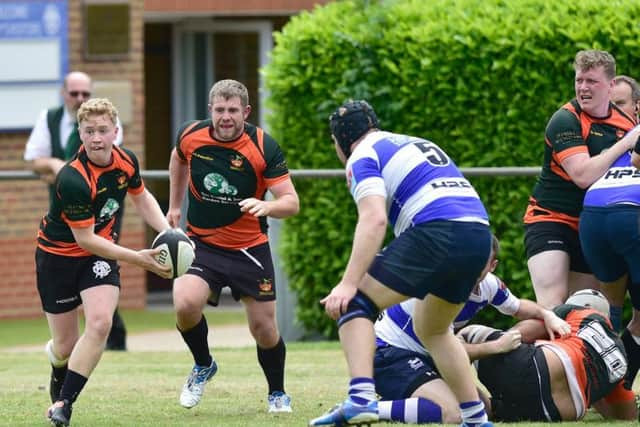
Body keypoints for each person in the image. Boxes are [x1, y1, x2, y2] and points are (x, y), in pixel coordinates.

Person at [309, 100, 494, 427]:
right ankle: (476, 419)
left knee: (354, 305)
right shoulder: (412, 141)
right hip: (479, 235)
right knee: (434, 330)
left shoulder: (361, 155)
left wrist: (349, 283)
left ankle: (361, 399)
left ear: (340, 141)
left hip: (438, 229)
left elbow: (374, 219)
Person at [167, 79, 299, 413]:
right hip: (202, 244)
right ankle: (203, 364)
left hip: (249, 248)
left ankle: (277, 393)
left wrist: (266, 206)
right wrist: (174, 206)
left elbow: (291, 202)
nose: (226, 117)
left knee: (264, 329)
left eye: (233, 111)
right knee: (184, 304)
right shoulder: (190, 135)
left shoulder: (263, 146)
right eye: (220, 110)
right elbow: (178, 158)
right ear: (210, 109)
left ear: (246, 112)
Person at [40, 98, 172, 427]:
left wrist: (170, 232)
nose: (96, 138)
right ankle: (58, 362)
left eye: (102, 130)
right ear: (80, 135)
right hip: (57, 258)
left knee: (100, 324)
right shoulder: (73, 178)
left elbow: (141, 198)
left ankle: (64, 404)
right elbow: (84, 239)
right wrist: (139, 259)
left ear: (116, 131)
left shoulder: (126, 160)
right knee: (65, 345)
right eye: (89, 131)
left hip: (98, 258)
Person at [372, 235, 570, 424]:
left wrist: (547, 315)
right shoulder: (441, 288)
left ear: (492, 266)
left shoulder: (488, 285)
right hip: (389, 354)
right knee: (457, 414)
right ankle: (367, 409)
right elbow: (449, 351)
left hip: (424, 357)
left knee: (482, 408)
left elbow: (518, 307)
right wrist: (497, 346)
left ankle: (399, 399)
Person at [523, 50, 640, 310]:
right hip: (550, 220)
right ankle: (501, 346)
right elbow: (583, 175)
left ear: (610, 86)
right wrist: (624, 144)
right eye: (579, 81)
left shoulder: (625, 121)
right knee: (554, 307)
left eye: (591, 81)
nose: (583, 88)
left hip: (588, 224)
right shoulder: (565, 119)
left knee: (586, 312)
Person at [24, 71, 128, 351]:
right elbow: (34, 159)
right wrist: (57, 167)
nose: (80, 98)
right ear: (64, 93)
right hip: (66, 218)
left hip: (105, 210)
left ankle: (114, 337)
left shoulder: (106, 124)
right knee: (65, 330)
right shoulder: (50, 118)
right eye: (74, 93)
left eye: (85, 93)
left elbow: (106, 160)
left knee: (102, 267)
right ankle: (75, 342)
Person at [459, 289, 638, 422]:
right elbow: (626, 416)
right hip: (555, 412)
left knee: (469, 334)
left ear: (585, 306)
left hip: (534, 368)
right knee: (491, 409)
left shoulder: (580, 312)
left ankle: (437, 369)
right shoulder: (620, 361)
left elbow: (522, 334)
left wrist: (503, 344)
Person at [579, 130, 640, 389]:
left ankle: (607, 389)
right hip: (630, 212)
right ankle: (617, 387)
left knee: (610, 308)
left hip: (593, 214)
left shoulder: (617, 144)